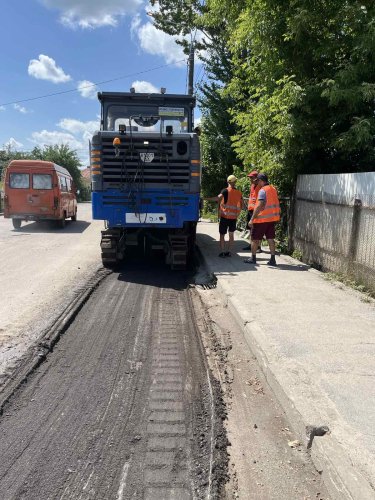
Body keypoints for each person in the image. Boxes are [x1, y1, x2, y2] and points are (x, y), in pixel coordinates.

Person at [244, 173, 280, 266]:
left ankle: (253, 258)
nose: (257, 183)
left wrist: (252, 219)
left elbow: (259, 205)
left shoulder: (262, 190)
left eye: (257, 181)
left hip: (261, 219)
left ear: (260, 181)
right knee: (270, 238)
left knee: (255, 239)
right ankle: (272, 259)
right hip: (271, 219)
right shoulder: (273, 189)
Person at [206, 175, 244, 257]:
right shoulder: (239, 193)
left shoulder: (225, 191)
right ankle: (229, 252)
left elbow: (217, 198)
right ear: (235, 182)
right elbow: (243, 205)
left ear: (228, 182)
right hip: (233, 218)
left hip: (224, 217)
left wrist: (205, 199)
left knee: (222, 235)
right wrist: (237, 213)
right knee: (231, 235)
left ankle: (223, 252)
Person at [242, 170, 260, 251]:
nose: (250, 179)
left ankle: (258, 246)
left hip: (256, 210)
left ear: (256, 178)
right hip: (250, 210)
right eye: (250, 178)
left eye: (251, 178)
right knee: (250, 228)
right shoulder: (252, 186)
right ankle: (251, 245)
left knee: (257, 229)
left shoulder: (260, 186)